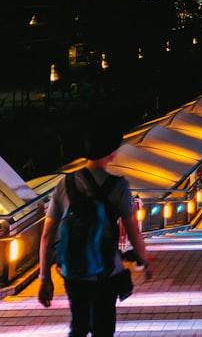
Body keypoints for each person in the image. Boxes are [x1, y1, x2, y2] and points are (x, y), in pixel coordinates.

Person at [38, 129, 153, 336]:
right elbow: (132, 230)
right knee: (104, 326)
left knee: (79, 324)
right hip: (106, 270)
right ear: (112, 153)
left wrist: (44, 277)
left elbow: (47, 235)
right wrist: (144, 259)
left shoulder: (65, 184)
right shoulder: (118, 186)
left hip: (73, 269)